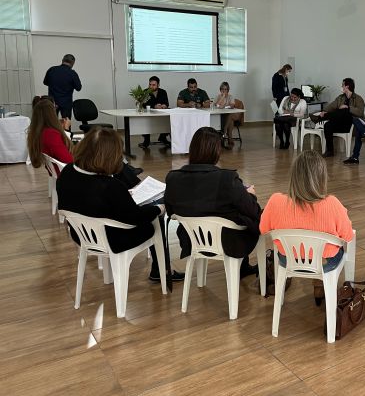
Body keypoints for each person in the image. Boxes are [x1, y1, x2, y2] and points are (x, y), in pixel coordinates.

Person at [56, 127, 180, 282]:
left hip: (81, 234)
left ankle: (161, 269)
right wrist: (159, 208)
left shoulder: (67, 172)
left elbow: (87, 198)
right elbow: (135, 218)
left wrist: (122, 197)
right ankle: (162, 270)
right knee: (156, 218)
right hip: (113, 238)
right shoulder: (110, 185)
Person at [259, 150, 354, 305]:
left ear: (294, 176)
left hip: (288, 258)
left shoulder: (275, 201)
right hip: (324, 262)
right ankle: (319, 286)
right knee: (336, 249)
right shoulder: (333, 204)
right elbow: (348, 236)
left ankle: (315, 286)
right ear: (322, 177)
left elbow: (263, 229)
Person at [164, 127, 260, 278]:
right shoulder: (227, 179)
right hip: (228, 243)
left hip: (192, 239)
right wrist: (250, 195)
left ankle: (243, 267)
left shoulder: (173, 178)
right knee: (247, 214)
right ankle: (243, 266)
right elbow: (252, 210)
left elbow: (171, 212)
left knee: (231, 209)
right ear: (217, 151)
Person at [28, 99, 142, 187]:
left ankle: (129, 174)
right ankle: (133, 181)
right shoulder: (50, 134)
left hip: (65, 169)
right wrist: (67, 131)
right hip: (72, 171)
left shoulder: (40, 132)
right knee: (109, 157)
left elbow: (63, 153)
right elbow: (68, 159)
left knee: (109, 157)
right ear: (50, 115)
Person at [313, 78, 365, 157]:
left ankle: (319, 119)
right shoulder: (341, 97)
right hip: (339, 122)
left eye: (342, 85)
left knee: (345, 111)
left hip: (350, 124)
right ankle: (330, 151)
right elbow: (332, 106)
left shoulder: (358, 98)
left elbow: (360, 112)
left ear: (347, 86)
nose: (341, 87)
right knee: (327, 125)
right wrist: (323, 111)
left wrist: (348, 107)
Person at [27, 98, 73, 168]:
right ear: (51, 114)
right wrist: (66, 129)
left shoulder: (38, 132)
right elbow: (68, 160)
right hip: (66, 171)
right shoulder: (51, 134)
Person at [43, 54, 82, 119]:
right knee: (66, 124)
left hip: (52, 102)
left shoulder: (51, 70)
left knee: (52, 123)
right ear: (73, 63)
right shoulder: (72, 73)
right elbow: (78, 88)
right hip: (66, 103)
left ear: (62, 60)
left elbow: (45, 82)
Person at [139, 76, 170, 148]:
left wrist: (164, 105)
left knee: (170, 118)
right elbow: (143, 104)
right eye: (150, 84)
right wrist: (154, 106)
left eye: (153, 85)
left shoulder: (163, 91)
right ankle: (146, 140)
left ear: (158, 85)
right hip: (149, 112)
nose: (151, 86)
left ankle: (163, 137)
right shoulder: (145, 92)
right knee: (145, 119)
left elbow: (166, 103)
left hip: (161, 112)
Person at [214, 81, 244, 150]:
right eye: (222, 89)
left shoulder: (231, 96)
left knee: (230, 116)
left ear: (228, 90)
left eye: (225, 89)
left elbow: (232, 105)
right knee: (230, 120)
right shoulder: (218, 96)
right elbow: (216, 105)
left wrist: (224, 106)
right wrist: (222, 97)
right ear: (220, 90)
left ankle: (223, 132)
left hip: (233, 115)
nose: (224, 91)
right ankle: (230, 138)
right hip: (223, 116)